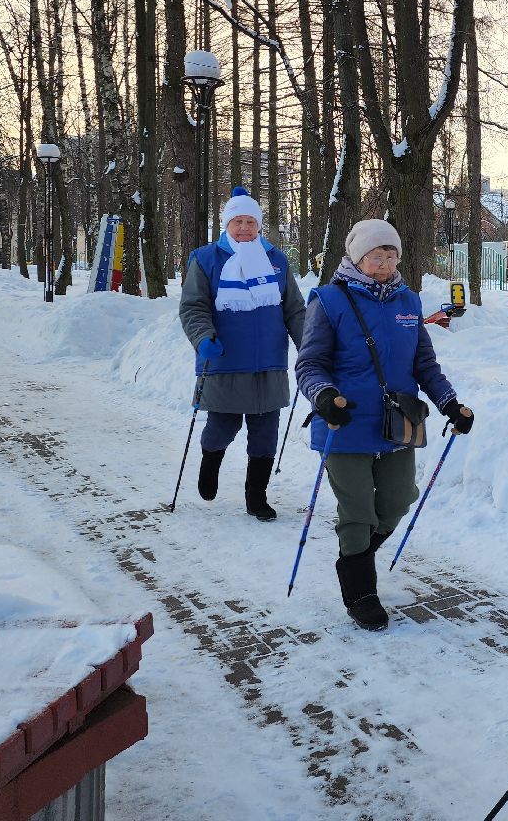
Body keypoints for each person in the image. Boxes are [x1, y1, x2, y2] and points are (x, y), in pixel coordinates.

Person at [295, 219, 475, 631]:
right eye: (376, 255)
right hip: (344, 423)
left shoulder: (408, 302)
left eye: (391, 254)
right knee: (357, 512)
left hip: (398, 423)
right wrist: (324, 397)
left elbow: (423, 364)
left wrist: (450, 404)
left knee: (396, 501)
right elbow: (309, 364)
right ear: (358, 258)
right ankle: (360, 591)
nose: (385, 262)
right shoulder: (328, 300)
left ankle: (357, 558)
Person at [179, 186, 306, 522]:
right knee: (223, 425)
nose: (245, 228)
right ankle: (210, 461)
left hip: (269, 362)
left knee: (265, 435)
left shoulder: (276, 260)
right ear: (226, 225)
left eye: (251, 221)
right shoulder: (206, 259)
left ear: (259, 225)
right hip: (224, 359)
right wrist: (203, 337)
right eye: (238, 222)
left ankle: (256, 497)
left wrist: (308, 342)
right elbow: (193, 306)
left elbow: (293, 308)